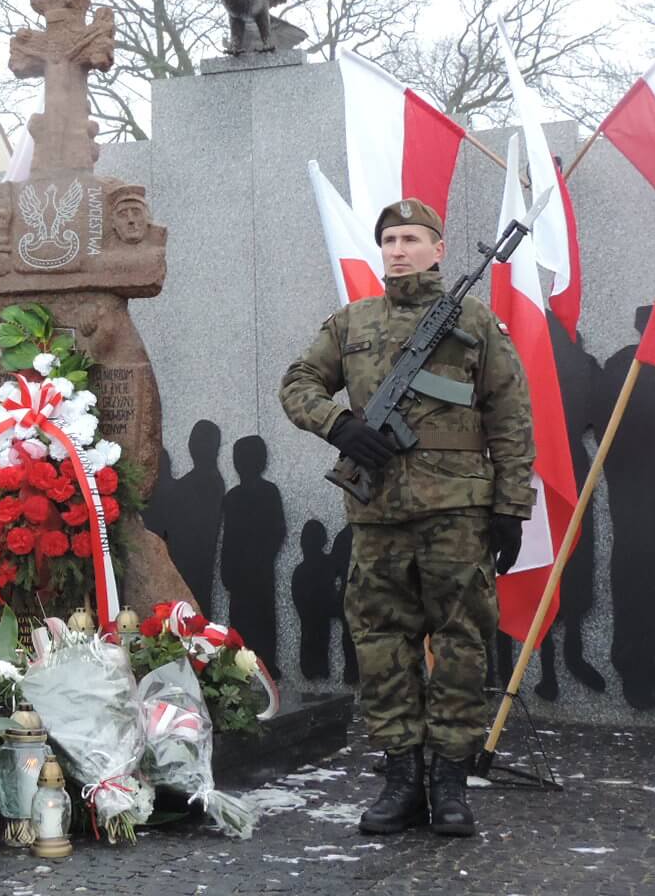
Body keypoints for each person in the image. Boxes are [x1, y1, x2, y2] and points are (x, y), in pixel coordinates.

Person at [279, 197, 534, 839]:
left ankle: (450, 784)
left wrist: (511, 507)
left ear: (438, 249)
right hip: (378, 514)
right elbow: (298, 383)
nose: (399, 250)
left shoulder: (475, 321)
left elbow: (510, 417)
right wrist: (340, 425)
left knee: (461, 645)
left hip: (458, 516)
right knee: (381, 646)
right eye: (390, 240)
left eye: (412, 239)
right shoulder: (352, 322)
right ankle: (401, 780)